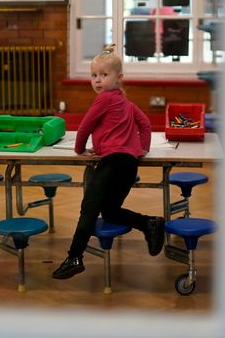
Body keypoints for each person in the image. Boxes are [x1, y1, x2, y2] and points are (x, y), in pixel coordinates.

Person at [51, 46, 165, 279]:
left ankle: (75, 257)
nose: (98, 81)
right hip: (128, 163)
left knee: (89, 209)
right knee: (110, 211)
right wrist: (142, 149)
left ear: (119, 78)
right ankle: (149, 223)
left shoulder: (104, 100)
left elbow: (85, 125)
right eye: (94, 75)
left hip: (112, 162)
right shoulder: (128, 104)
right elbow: (145, 125)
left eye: (104, 75)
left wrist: (79, 149)